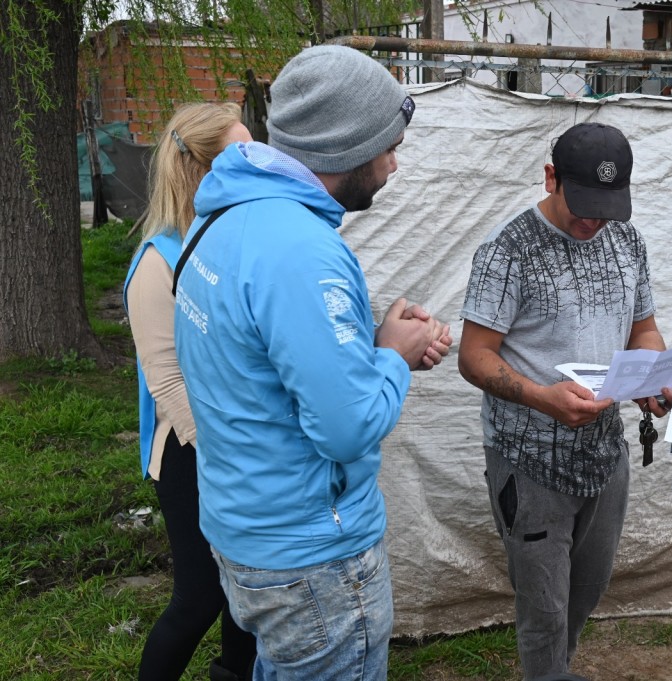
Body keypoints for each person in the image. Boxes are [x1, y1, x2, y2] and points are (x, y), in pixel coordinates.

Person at [172, 45, 452, 681]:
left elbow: (257, 366)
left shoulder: (220, 217)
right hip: (311, 558)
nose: (394, 163)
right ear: (346, 145)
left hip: (242, 527)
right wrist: (391, 357)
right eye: (388, 145)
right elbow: (347, 427)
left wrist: (375, 345)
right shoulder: (302, 250)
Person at [458, 122, 672, 680]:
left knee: (588, 588)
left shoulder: (627, 241)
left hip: (605, 451)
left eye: (606, 208)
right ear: (550, 177)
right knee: (544, 606)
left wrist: (652, 372)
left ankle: (555, 670)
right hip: (528, 461)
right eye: (582, 205)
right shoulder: (508, 251)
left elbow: (644, 329)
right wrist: (539, 398)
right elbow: (473, 356)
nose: (592, 221)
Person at [124, 102, 257, 681]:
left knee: (244, 593)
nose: (257, 163)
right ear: (200, 168)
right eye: (241, 153)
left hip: (238, 445)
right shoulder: (158, 261)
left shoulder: (232, 237)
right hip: (191, 452)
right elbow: (168, 383)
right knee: (200, 596)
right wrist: (231, 455)